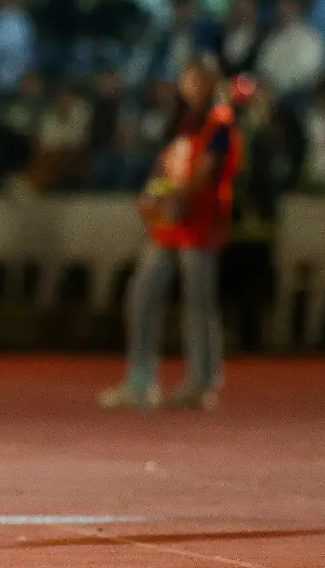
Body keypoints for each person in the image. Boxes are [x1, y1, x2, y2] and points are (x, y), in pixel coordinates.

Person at [99, 54, 242, 411]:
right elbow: (165, 163)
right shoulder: (182, 121)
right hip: (168, 224)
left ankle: (202, 381)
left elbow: (207, 171)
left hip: (199, 222)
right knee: (143, 294)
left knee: (199, 302)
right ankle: (141, 380)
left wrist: (177, 199)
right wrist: (152, 197)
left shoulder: (219, 122)